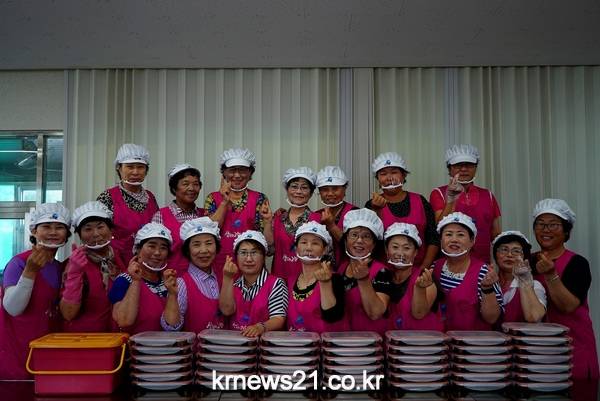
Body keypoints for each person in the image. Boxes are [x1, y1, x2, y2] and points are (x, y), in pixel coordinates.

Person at [0, 203, 70, 380]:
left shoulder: (60, 267)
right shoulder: (18, 263)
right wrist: (30, 272)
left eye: (59, 227)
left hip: (46, 352)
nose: (53, 232)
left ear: (67, 233)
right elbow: (12, 308)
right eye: (46, 226)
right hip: (17, 354)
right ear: (34, 231)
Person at [531, 199, 598, 380]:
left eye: (553, 224)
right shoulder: (528, 262)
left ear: (566, 231)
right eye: (540, 224)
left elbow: (568, 306)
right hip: (537, 352)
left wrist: (551, 274)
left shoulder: (578, 264)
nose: (546, 230)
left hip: (573, 351)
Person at [204, 148, 271, 281]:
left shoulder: (259, 199)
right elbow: (210, 230)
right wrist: (224, 202)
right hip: (220, 265)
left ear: (250, 173)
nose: (237, 175)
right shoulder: (213, 198)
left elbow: (267, 242)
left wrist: (268, 222)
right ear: (224, 173)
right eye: (232, 170)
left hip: (251, 265)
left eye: (242, 170)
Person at [61, 201, 126, 332]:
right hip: (84, 339)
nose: (96, 234)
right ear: (80, 235)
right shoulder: (73, 264)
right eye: (88, 229)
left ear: (111, 230)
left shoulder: (120, 258)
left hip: (116, 337)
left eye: (100, 227)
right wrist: (74, 273)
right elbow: (68, 314)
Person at [430, 144, 501, 263]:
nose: (463, 169)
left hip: (482, 264)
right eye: (458, 165)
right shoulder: (439, 193)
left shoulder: (488, 195)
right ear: (449, 169)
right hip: (449, 262)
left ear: (476, 167)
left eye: (469, 165)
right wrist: (451, 200)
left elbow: (496, 235)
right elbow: (438, 228)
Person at [366, 152, 439, 269]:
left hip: (419, 269)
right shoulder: (372, 204)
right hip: (384, 271)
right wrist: (376, 211)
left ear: (404, 175)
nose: (389, 178)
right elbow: (371, 241)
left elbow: (433, 237)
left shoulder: (420, 200)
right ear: (378, 179)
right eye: (383, 174)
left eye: (394, 172)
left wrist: (424, 267)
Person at [432, 212, 503, 331]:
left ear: (472, 241)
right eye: (448, 234)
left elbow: (492, 318)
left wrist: (487, 289)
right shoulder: (434, 267)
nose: (454, 240)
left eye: (460, 235)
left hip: (473, 341)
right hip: (441, 339)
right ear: (441, 240)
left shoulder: (484, 272)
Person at [109, 222, 176, 334]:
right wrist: (136, 281)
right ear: (138, 250)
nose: (157, 252)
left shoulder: (168, 281)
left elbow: (174, 324)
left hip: (166, 344)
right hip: (134, 344)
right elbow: (124, 321)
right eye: (152, 246)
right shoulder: (124, 280)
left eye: (163, 248)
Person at [97, 143, 159, 264]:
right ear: (119, 168)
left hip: (147, 263)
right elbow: (97, 234)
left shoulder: (150, 197)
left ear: (146, 170)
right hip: (115, 263)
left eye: (140, 167)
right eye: (130, 167)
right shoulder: (107, 197)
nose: (135, 172)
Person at [161, 217, 226, 332]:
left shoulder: (224, 278)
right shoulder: (182, 284)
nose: (204, 250)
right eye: (196, 244)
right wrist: (172, 294)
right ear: (188, 250)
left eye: (209, 243)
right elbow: (171, 327)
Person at [219, 230, 288, 337]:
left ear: (264, 257)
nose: (249, 259)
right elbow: (227, 310)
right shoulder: (234, 284)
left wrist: (260, 327)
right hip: (236, 344)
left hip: (264, 344)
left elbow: (278, 318)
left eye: (254, 253)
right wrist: (228, 278)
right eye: (243, 253)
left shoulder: (276, 284)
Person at [383, 223, 443, 331]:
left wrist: (420, 289)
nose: (400, 253)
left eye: (406, 248)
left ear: (415, 252)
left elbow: (419, 313)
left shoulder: (425, 277)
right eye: (395, 247)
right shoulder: (383, 277)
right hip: (394, 340)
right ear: (387, 251)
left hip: (423, 340)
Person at [287, 221, 345, 332]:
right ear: (296, 248)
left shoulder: (335, 279)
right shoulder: (290, 281)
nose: (308, 248)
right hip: (294, 342)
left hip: (325, 342)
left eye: (315, 243)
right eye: (304, 242)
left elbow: (332, 316)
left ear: (324, 250)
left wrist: (325, 283)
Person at [338, 208, 389, 334]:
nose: (359, 240)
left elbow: (375, 313)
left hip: (372, 341)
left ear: (374, 244)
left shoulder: (382, 271)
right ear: (346, 240)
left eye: (366, 236)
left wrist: (363, 280)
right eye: (354, 235)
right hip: (344, 340)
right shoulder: (341, 268)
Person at [152, 164, 205, 273]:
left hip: (201, 279)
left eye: (196, 184)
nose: (191, 188)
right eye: (185, 184)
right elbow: (155, 251)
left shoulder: (205, 214)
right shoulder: (161, 216)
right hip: (171, 277)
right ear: (174, 188)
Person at [271, 167, 321, 282]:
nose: (298, 191)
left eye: (304, 187)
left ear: (311, 192)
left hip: (308, 281)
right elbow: (270, 250)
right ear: (287, 189)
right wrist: (267, 221)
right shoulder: (277, 218)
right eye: (294, 186)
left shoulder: (318, 220)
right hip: (280, 280)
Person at [493, 230, 546, 323]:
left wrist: (524, 283)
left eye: (516, 251)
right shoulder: (487, 282)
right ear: (495, 255)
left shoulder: (535, 285)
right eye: (504, 249)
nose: (509, 255)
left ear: (524, 257)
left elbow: (534, 317)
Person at [315, 166, 358, 269]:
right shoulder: (316, 215)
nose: (330, 193)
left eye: (335, 189)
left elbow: (356, 246)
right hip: (322, 272)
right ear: (319, 192)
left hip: (349, 270)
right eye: (325, 189)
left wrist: (331, 226)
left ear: (344, 189)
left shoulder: (355, 213)